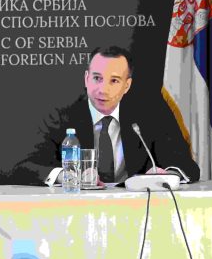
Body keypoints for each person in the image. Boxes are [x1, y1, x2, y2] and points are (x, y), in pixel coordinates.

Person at [12, 45, 200, 185]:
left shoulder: (150, 113)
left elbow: (185, 165)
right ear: (86, 79)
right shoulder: (60, 115)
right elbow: (25, 167)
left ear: (127, 86)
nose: (103, 89)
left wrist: (166, 175)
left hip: (138, 208)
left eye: (114, 81)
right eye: (97, 78)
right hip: (76, 209)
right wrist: (67, 176)